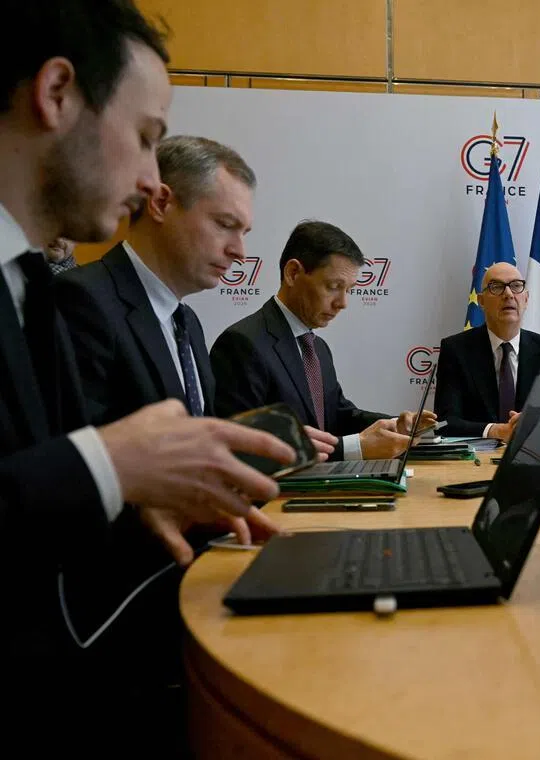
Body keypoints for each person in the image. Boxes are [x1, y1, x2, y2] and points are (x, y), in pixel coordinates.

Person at [0, 1, 295, 752]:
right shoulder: (62, 292)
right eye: (145, 139)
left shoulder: (28, 282)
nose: (148, 178)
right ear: (57, 94)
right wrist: (112, 465)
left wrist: (137, 506)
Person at [56, 135, 333, 454]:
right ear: (161, 203)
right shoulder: (82, 300)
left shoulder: (187, 323)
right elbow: (81, 464)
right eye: (225, 224)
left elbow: (198, 447)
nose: (239, 252)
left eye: (243, 233)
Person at [211, 220, 430, 459]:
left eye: (350, 289)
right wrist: (354, 449)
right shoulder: (242, 344)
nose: (342, 303)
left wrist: (394, 425)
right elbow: (243, 448)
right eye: (333, 286)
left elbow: (338, 414)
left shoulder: (317, 347)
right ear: (293, 273)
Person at [435, 261, 540, 440]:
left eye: (516, 286)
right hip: (472, 462)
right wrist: (496, 430)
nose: (508, 294)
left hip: (532, 456)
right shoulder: (456, 350)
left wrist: (534, 422)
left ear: (526, 299)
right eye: (496, 287)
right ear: (481, 301)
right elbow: (445, 422)